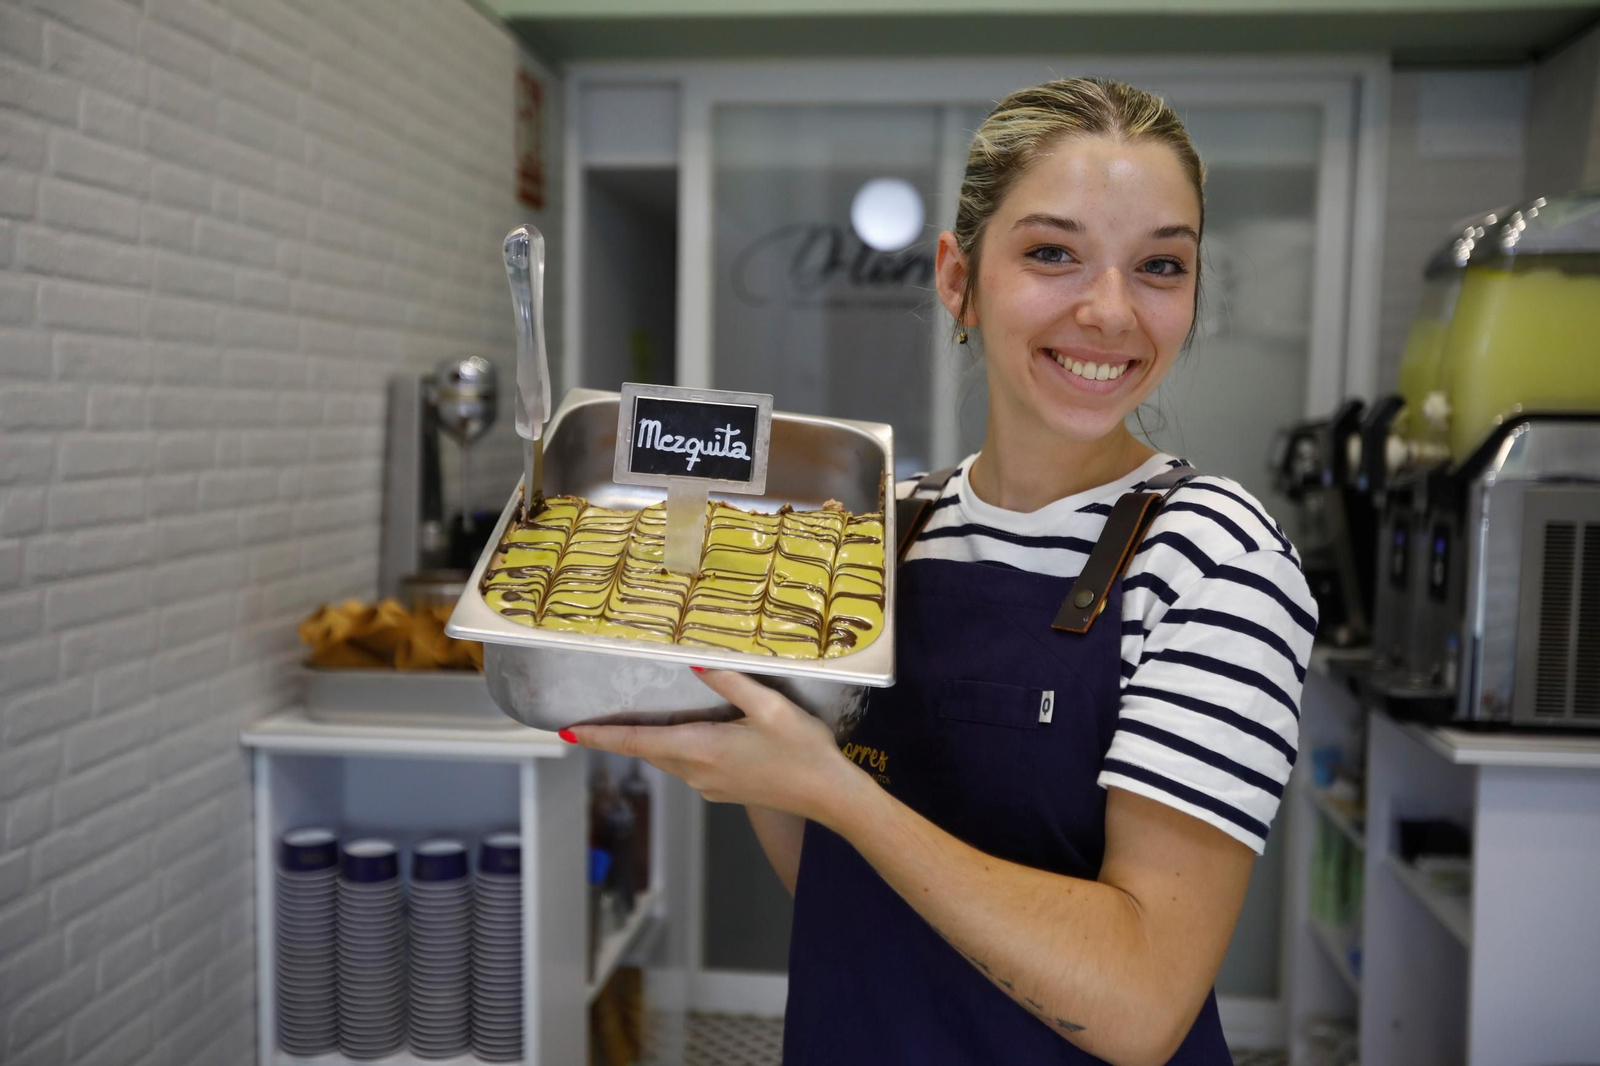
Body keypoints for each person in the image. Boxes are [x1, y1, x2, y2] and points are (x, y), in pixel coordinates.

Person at [562, 77, 1316, 1066]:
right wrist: (740, 722)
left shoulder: (1215, 558)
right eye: (1053, 252)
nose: (1108, 310)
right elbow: (839, 887)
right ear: (957, 278)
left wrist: (833, 789)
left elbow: (1140, 1005)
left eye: (1159, 266)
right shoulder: (884, 529)